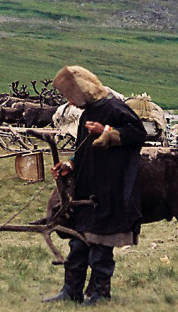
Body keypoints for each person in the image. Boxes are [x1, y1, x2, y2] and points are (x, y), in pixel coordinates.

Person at [44, 65, 147, 306]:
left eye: (71, 95)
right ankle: (71, 291)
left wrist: (107, 131)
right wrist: (69, 164)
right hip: (86, 186)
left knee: (101, 245)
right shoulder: (87, 111)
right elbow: (82, 147)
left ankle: (101, 295)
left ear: (83, 91)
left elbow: (138, 134)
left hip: (110, 186)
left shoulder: (114, 107)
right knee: (78, 241)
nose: (69, 101)